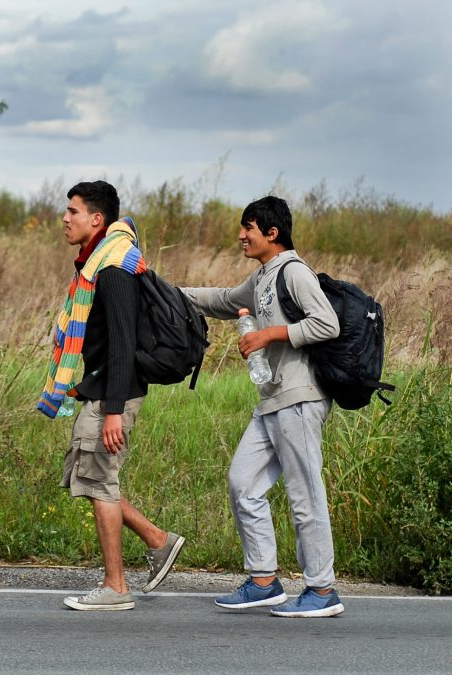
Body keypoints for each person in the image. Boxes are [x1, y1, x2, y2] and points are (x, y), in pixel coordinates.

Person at [181, 195, 344, 618]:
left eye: (248, 228)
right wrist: (165, 291)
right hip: (272, 399)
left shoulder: (294, 271)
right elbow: (221, 300)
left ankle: (322, 591)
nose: (241, 235)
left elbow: (327, 323)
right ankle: (263, 581)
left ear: (272, 233)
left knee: (304, 494)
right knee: (243, 483)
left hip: (301, 399)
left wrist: (267, 336)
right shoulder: (262, 277)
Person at [39, 180, 186, 611]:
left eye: (73, 211)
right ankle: (158, 540)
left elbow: (123, 345)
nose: (65, 219)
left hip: (114, 394)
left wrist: (114, 412)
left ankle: (116, 588)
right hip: (103, 389)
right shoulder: (98, 263)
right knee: (89, 479)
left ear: (96, 219)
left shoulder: (114, 268)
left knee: (100, 482)